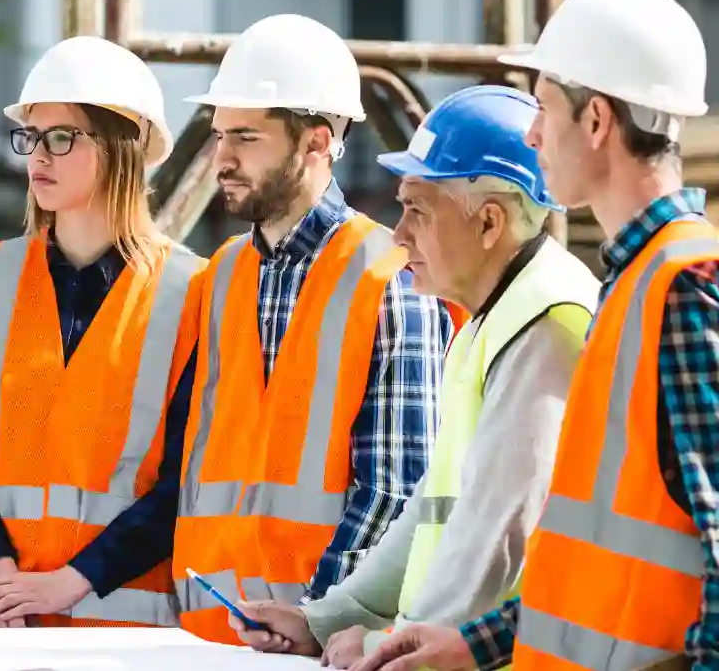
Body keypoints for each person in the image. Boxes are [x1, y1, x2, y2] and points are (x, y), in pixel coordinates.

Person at [350, 0, 719, 671]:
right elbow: (588, 567)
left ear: (595, 121)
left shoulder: (686, 289)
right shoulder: (637, 284)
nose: (532, 133)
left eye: (543, 108)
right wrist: (473, 645)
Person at [228, 86, 597, 667]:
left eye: (417, 210)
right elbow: (435, 508)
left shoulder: (544, 328)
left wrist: (389, 645)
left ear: (490, 223)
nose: (398, 235)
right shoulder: (493, 318)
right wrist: (327, 619)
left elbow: (495, 544)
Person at [169, 13, 460, 644]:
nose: (223, 159)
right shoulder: (220, 277)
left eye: (246, 137)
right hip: (207, 635)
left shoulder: (391, 278)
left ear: (317, 143)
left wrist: (318, 617)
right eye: (220, 136)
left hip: (321, 642)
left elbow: (395, 488)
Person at [0, 36, 203, 628]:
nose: (38, 157)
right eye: (31, 137)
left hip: (120, 635)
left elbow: (186, 482)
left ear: (121, 145)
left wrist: (72, 582)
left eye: (61, 137)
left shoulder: (194, 292)